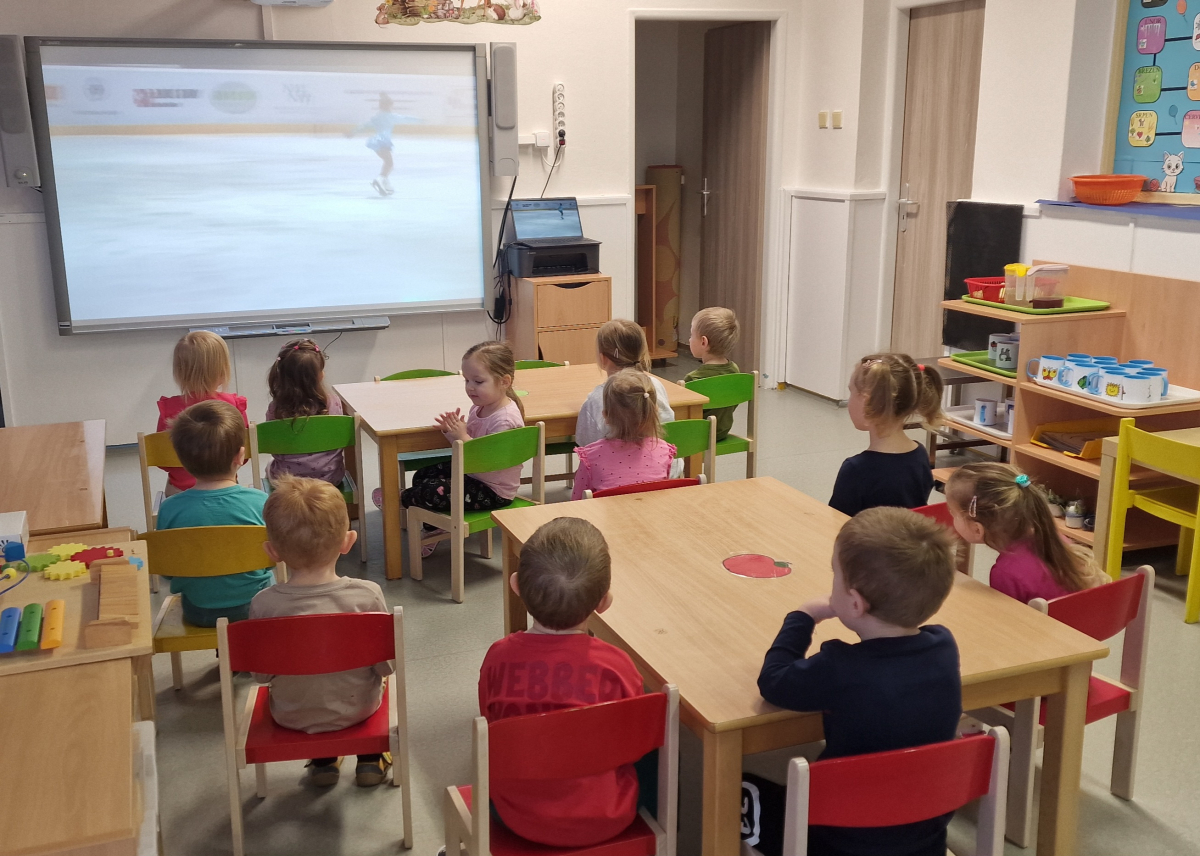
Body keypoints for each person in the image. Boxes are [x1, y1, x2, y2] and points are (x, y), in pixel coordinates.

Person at [758, 507, 961, 856]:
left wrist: (803, 616)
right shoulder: (944, 647)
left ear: (854, 603)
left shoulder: (841, 668)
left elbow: (773, 681)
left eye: (834, 575)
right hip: (924, 841)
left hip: (835, 843)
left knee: (740, 787)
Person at [479, 517, 644, 847]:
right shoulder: (618, 667)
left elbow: (490, 722)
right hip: (607, 817)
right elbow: (636, 743)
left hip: (515, 816)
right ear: (604, 602)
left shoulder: (497, 658)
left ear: (515, 585)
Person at [250, 475, 393, 788]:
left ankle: (324, 760)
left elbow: (261, 676)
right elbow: (386, 667)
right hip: (359, 709)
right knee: (374, 679)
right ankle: (371, 757)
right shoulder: (367, 595)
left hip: (290, 715)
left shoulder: (264, 604)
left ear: (272, 551)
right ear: (348, 541)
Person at [400, 341, 524, 556]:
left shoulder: (505, 420)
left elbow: (486, 462)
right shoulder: (480, 407)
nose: (470, 387)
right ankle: (434, 526)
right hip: (474, 475)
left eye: (478, 381)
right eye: (466, 380)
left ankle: (400, 500)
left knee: (427, 492)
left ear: (504, 382)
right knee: (423, 475)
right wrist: (452, 434)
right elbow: (468, 449)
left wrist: (463, 437)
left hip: (493, 490)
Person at [156, 400, 272, 626]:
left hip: (198, 612)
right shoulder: (260, 502)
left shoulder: (169, 509)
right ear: (240, 456)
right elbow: (271, 559)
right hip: (255, 608)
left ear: (181, 460)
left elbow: (168, 572)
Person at [946, 462, 1106, 603]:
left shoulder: (1005, 573)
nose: (951, 517)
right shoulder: (1053, 538)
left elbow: (1007, 623)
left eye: (953, 513)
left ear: (977, 529)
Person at [828, 353, 943, 517]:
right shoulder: (920, 455)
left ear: (866, 402)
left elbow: (836, 523)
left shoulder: (856, 470)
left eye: (851, 392)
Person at [575, 319, 681, 478]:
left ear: (603, 359)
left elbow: (585, 444)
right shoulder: (655, 386)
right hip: (665, 473)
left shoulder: (596, 399)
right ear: (641, 353)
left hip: (616, 479)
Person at [156, 330, 248, 495]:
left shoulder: (168, 409)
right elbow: (244, 455)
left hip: (179, 491)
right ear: (222, 370)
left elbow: (162, 460)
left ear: (180, 372)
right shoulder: (234, 405)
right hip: (226, 486)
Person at [571, 370, 676, 501]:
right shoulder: (665, 452)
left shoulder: (590, 457)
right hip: (652, 514)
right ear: (654, 412)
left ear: (606, 416)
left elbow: (576, 502)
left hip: (607, 515)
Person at [264, 338, 346, 486]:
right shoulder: (333, 403)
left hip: (288, 482)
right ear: (320, 375)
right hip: (330, 480)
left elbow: (275, 448)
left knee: (270, 464)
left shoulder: (275, 409)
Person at [682, 307, 741, 440]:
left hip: (697, 436)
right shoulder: (735, 371)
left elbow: (683, 415)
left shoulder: (694, 378)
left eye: (691, 335)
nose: (689, 340)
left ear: (704, 342)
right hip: (722, 432)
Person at [346, 92, 414, 197]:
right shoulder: (391, 116)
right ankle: (380, 179)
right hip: (383, 141)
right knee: (389, 163)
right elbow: (405, 119)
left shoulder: (376, 117)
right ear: (389, 106)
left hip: (375, 141)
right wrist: (422, 120)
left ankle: (383, 181)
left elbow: (364, 126)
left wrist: (353, 132)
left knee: (388, 162)